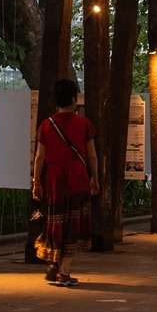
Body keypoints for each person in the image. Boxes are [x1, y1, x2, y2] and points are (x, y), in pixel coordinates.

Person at [32, 77, 98, 287]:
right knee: (74, 220)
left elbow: (39, 157)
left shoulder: (46, 125)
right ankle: (64, 271)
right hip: (78, 176)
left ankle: (56, 263)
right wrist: (94, 178)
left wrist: (36, 182)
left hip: (54, 178)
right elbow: (92, 155)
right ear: (73, 99)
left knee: (56, 219)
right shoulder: (84, 124)